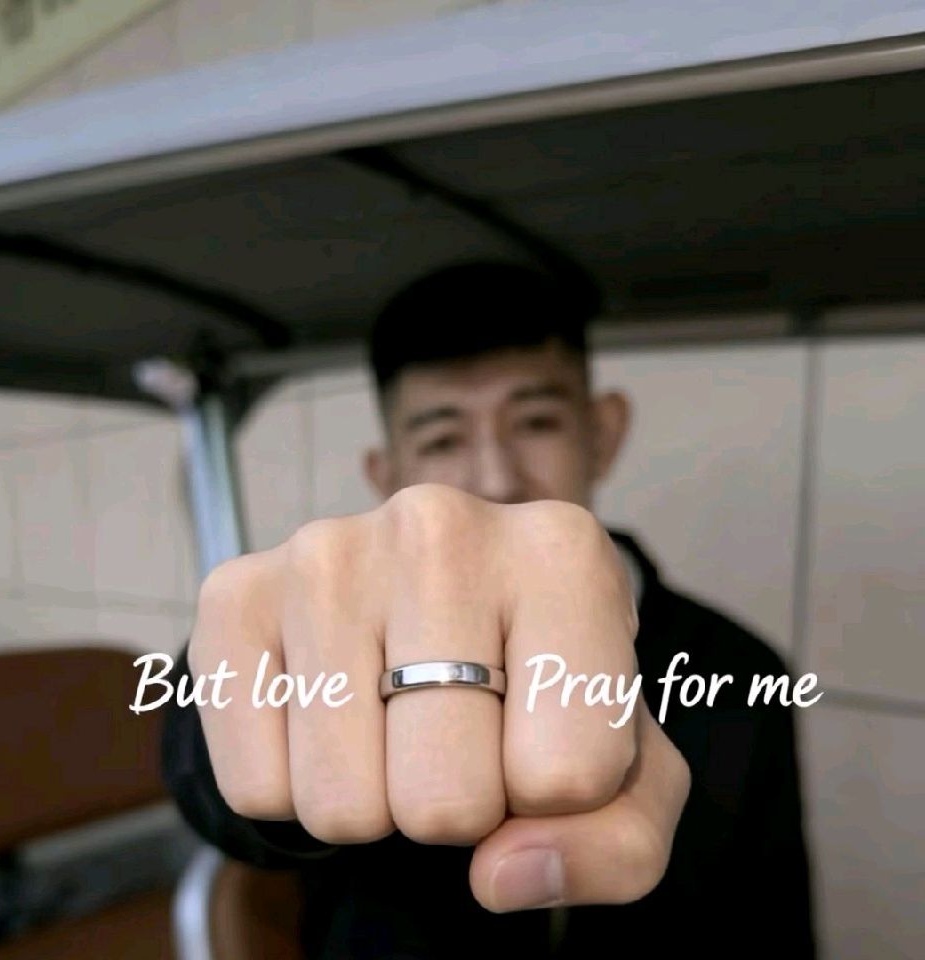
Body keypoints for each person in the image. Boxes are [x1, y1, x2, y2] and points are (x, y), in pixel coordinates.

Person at [161, 261, 816, 959]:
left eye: (536, 422)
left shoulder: (742, 668)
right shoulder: (342, 632)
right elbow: (203, 758)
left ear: (603, 433)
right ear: (386, 473)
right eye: (443, 439)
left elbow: (774, 926)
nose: (497, 477)